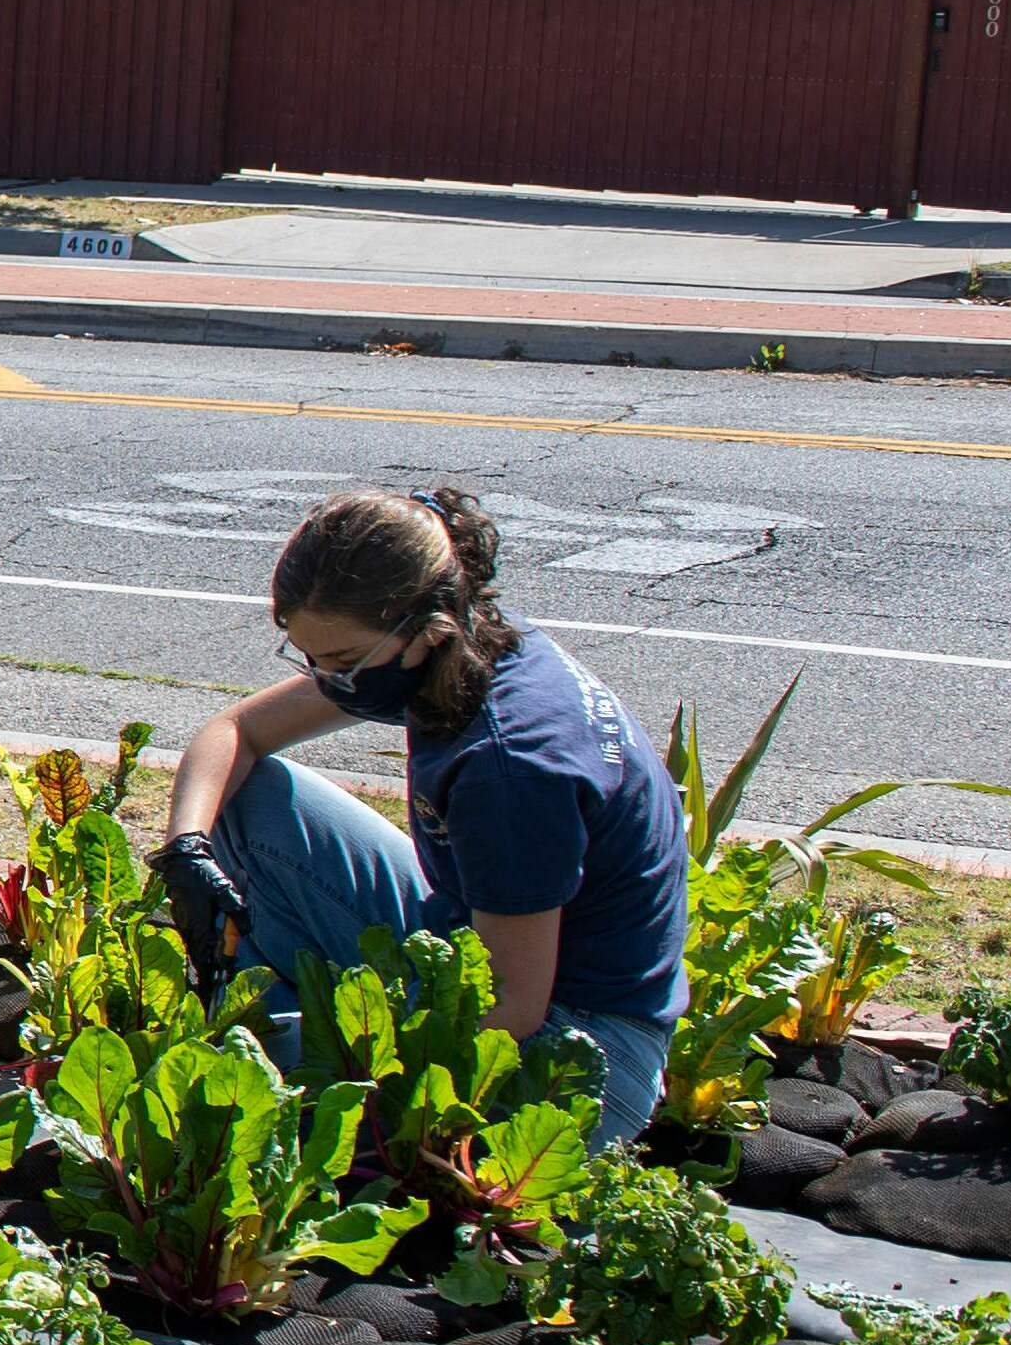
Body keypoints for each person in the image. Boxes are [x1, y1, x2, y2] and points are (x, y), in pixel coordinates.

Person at [153, 485, 688, 1146]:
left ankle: (279, 1048)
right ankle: (271, 1026)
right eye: (307, 657)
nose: (325, 680)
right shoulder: (463, 648)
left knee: (247, 1104)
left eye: (342, 662)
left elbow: (511, 1007)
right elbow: (237, 731)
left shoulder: (507, 769)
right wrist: (186, 848)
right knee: (250, 799)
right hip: (478, 946)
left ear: (426, 629)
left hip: (580, 1046)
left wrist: (341, 1061)